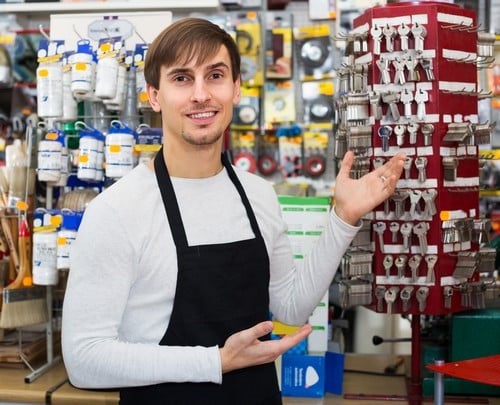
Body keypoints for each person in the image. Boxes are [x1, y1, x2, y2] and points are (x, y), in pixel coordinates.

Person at [61, 17, 405, 404]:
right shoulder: (118, 210)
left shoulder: (258, 194)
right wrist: (215, 362)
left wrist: (344, 218)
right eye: (181, 78)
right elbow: (84, 359)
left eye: (215, 75)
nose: (201, 94)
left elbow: (289, 305)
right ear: (154, 96)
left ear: (236, 88)